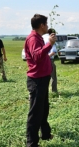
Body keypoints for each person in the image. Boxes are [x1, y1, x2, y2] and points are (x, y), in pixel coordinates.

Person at [24, 14, 56, 147]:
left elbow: (40, 56)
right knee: (36, 111)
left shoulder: (38, 37)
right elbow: (37, 56)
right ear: (42, 25)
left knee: (43, 108)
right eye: (46, 24)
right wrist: (50, 44)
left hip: (42, 78)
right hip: (37, 80)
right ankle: (31, 143)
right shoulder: (33, 39)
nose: (47, 26)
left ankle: (46, 134)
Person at [43, 28, 58, 93]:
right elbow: (53, 52)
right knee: (53, 77)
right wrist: (47, 57)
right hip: (49, 60)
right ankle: (54, 91)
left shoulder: (42, 38)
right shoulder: (51, 40)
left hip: (42, 60)